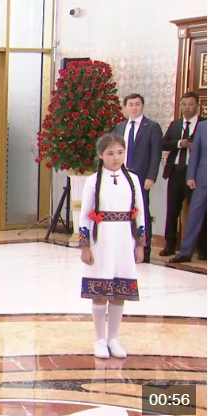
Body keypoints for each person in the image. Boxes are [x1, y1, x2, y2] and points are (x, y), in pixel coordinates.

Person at [78, 133, 146, 359]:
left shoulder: (133, 180)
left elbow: (140, 214)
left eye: (120, 153)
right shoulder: (93, 181)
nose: (116, 158)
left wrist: (140, 244)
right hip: (102, 241)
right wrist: (85, 245)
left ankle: (113, 339)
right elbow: (85, 215)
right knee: (101, 292)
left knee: (119, 292)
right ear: (101, 155)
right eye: (110, 153)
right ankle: (99, 339)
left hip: (124, 241)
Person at [114, 94, 163, 263]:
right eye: (131, 104)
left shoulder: (152, 127)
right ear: (125, 107)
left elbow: (156, 154)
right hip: (122, 175)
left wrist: (151, 177)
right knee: (122, 211)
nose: (134, 107)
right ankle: (125, 248)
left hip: (141, 177)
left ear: (142, 106)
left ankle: (144, 250)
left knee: (141, 212)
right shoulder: (120, 127)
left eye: (137, 104)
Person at [161, 92, 206, 259]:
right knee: (174, 211)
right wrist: (180, 144)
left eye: (191, 104)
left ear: (198, 106)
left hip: (196, 175)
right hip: (179, 173)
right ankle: (173, 246)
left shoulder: (202, 124)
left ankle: (202, 249)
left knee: (200, 214)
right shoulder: (177, 124)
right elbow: (163, 144)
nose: (187, 108)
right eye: (184, 104)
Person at [171, 120, 207, 264]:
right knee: (194, 217)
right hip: (202, 180)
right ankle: (185, 253)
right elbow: (195, 153)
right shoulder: (203, 127)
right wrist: (190, 176)